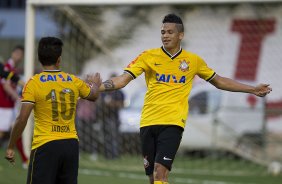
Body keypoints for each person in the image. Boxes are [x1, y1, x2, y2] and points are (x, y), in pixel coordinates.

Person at [98, 14, 272, 184]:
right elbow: (122, 79)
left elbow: (219, 81)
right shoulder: (148, 56)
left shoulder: (193, 61)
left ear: (180, 35)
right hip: (148, 122)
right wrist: (96, 87)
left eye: (170, 32)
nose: (165, 36)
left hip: (173, 123)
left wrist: (252, 89)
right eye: (163, 32)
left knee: (160, 172)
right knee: (152, 177)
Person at [5, 36, 102, 184]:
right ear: (59, 59)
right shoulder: (73, 80)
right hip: (70, 145)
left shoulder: (33, 83)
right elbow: (94, 95)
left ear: (39, 58)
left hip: (45, 145)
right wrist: (94, 83)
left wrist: (11, 146)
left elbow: (22, 119)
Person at [0, 45, 28, 168]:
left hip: (9, 106)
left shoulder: (13, 69)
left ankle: (25, 160)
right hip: (3, 106)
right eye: (17, 53)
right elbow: (5, 86)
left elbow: (12, 83)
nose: (18, 56)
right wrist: (17, 97)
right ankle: (25, 160)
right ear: (13, 53)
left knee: (16, 131)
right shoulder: (7, 66)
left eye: (20, 54)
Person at [98, 73, 125, 159]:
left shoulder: (119, 92)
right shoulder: (104, 91)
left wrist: (111, 103)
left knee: (114, 137)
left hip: (114, 117)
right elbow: (99, 102)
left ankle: (114, 155)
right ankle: (107, 155)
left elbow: (122, 104)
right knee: (105, 137)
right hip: (104, 117)